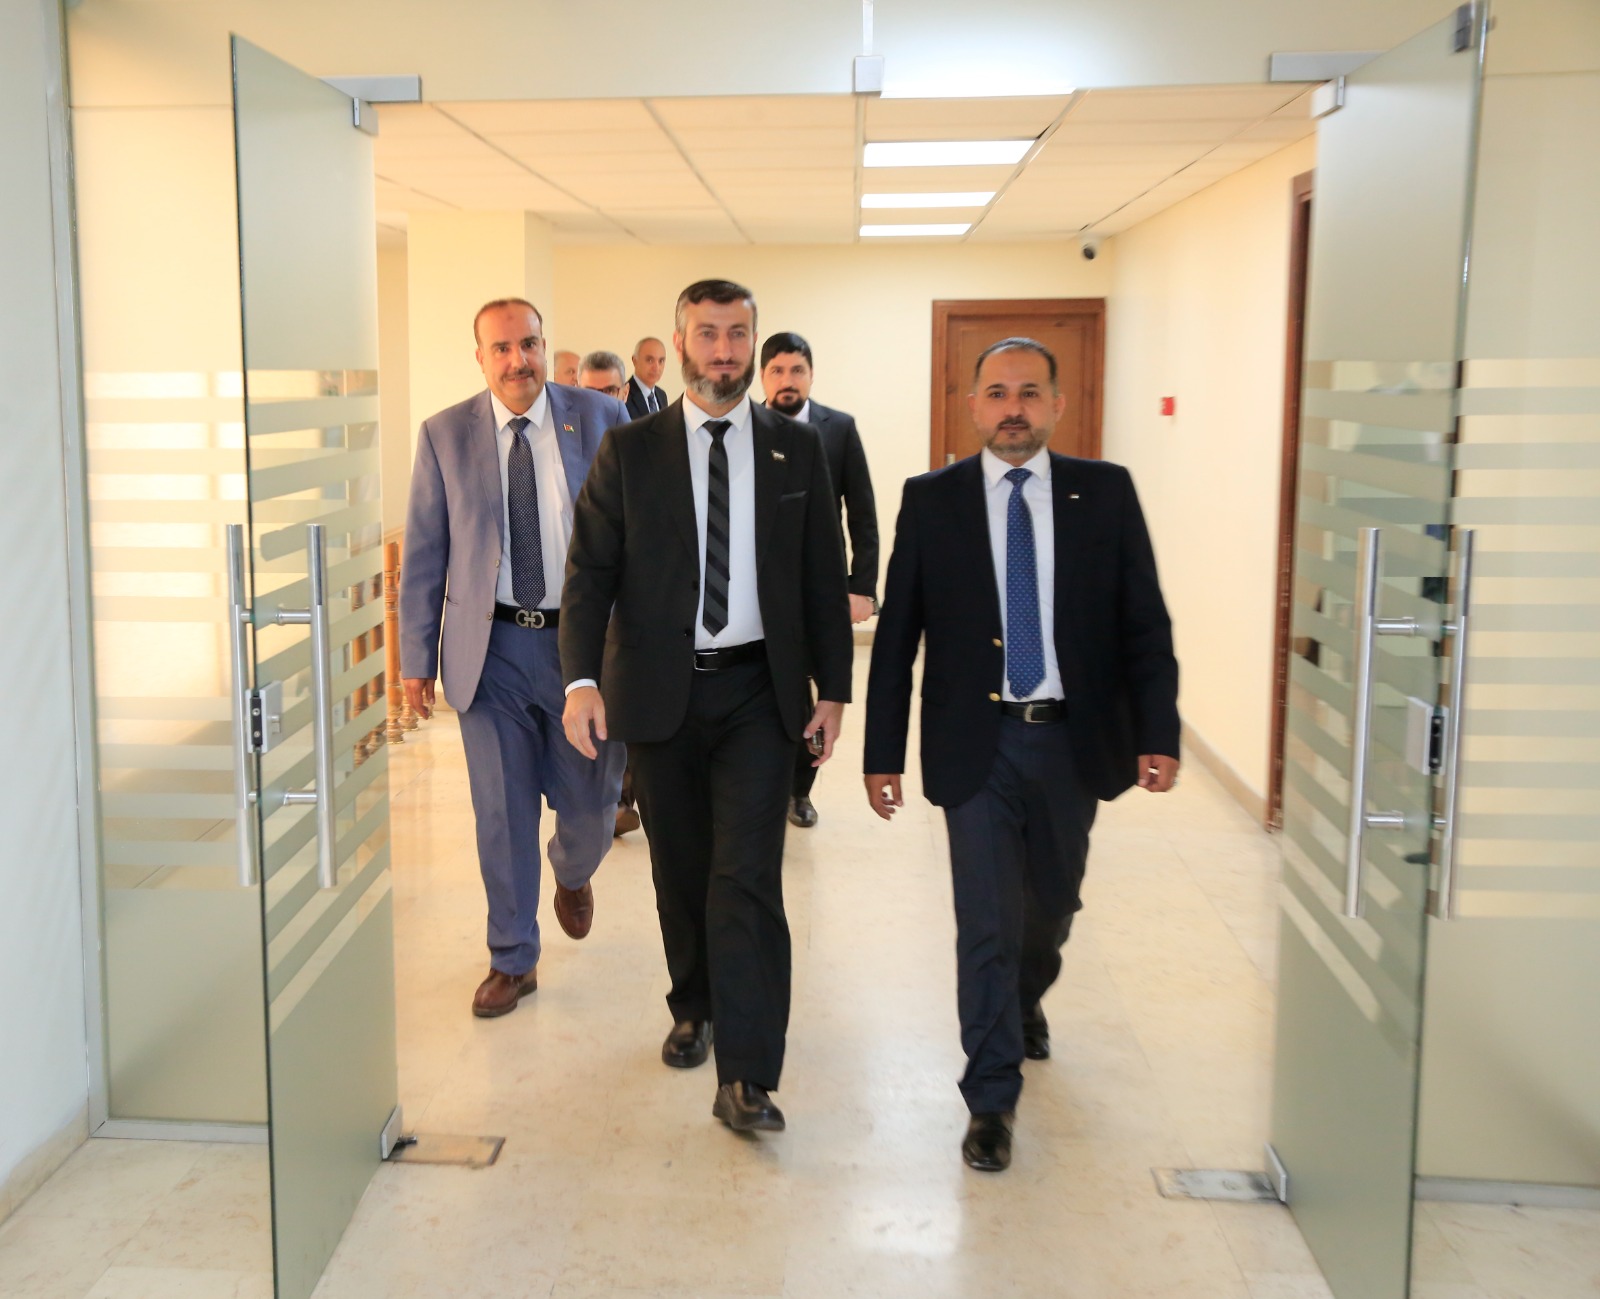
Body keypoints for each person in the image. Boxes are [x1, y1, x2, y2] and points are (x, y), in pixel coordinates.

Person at [862, 337, 1180, 1172]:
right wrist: (882, 752)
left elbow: (1145, 621)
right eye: (998, 393)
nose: (1013, 408)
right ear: (972, 405)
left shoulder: (1104, 492)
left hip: (1073, 740)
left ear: (1057, 405)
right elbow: (897, 638)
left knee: (1051, 904)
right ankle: (991, 1097)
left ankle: (1026, 992)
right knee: (988, 921)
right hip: (977, 741)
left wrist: (1159, 730)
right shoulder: (931, 499)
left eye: (1030, 392)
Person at [560, 279, 853, 1134]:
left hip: (761, 692)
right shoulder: (631, 450)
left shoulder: (797, 450)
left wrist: (835, 688)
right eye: (707, 334)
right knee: (681, 868)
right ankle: (694, 1003)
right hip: (660, 692)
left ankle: (748, 1074)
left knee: (747, 877)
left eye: (737, 334)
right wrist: (580, 680)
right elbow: (589, 574)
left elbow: (821, 578)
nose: (723, 350)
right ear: (680, 342)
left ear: (754, 344)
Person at [400, 298, 629, 1018]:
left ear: (543, 345)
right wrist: (415, 656)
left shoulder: (601, 418)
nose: (517, 360)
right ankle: (512, 956)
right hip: (491, 649)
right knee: (501, 813)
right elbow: (426, 550)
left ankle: (573, 869)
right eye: (500, 348)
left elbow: (641, 535)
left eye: (528, 344)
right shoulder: (444, 434)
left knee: (591, 807)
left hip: (583, 649)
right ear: (479, 356)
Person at [759, 331, 879, 830]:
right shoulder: (744, 429)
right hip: (764, 591)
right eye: (777, 371)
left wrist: (862, 588)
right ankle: (766, 785)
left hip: (822, 590)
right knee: (773, 692)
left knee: (818, 692)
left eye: (797, 370)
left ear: (811, 375)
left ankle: (800, 791)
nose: (787, 380)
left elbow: (863, 513)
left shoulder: (839, 429)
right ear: (763, 377)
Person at [576, 348, 643, 837]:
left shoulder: (647, 449)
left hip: (634, 611)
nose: (600, 400)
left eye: (609, 391)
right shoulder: (558, 448)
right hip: (584, 605)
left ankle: (624, 794)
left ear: (625, 392)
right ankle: (611, 801)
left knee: (628, 709)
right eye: (590, 391)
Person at [624, 336, 668, 418]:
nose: (656, 367)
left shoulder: (662, 395)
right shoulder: (623, 395)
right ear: (635, 361)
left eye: (661, 361)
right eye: (650, 360)